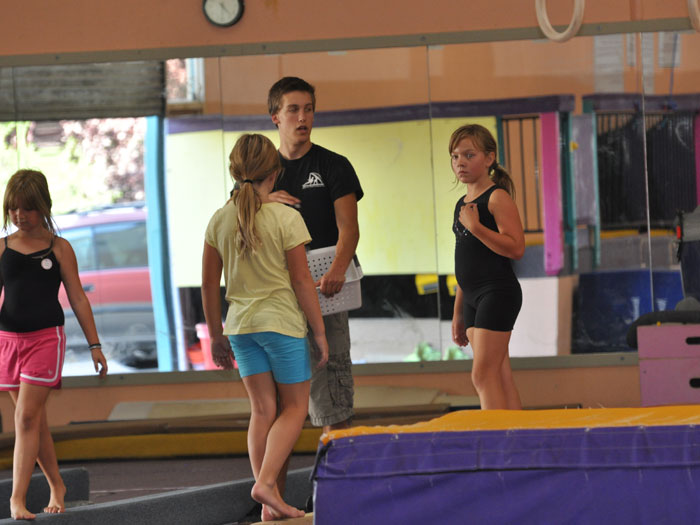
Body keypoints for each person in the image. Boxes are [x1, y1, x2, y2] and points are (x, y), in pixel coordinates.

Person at [201, 133, 329, 521]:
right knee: (295, 407)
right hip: (281, 325)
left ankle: (268, 506)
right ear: (275, 173)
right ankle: (267, 484)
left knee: (261, 410)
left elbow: (209, 284)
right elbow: (302, 281)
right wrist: (319, 332)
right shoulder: (285, 218)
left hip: (241, 328)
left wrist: (216, 335)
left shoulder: (219, 219)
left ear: (235, 172)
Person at [0, 169, 108, 520]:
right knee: (34, 422)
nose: (19, 215)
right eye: (13, 208)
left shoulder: (59, 248)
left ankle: (17, 499)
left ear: (44, 207)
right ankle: (57, 484)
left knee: (25, 417)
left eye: (28, 208)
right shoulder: (2, 247)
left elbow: (77, 298)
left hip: (45, 340)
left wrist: (94, 345)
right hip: (8, 342)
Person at [267, 76, 363, 435]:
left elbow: (349, 229)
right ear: (276, 117)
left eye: (308, 109)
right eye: (293, 110)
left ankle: (339, 466)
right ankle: (272, 474)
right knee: (276, 405)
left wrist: (337, 270)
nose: (302, 117)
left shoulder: (333, 165)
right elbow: (235, 220)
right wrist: (262, 198)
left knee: (331, 393)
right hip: (278, 296)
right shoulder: (260, 174)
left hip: (325, 290)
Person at [449, 124, 525, 410]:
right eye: (455, 156)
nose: (460, 163)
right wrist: (458, 311)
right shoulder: (462, 203)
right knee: (500, 375)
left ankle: (494, 435)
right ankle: (516, 432)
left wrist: (477, 227)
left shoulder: (497, 197)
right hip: (472, 298)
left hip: (497, 293)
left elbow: (516, 248)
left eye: (469, 155)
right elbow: (465, 260)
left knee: (482, 375)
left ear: (489, 158)